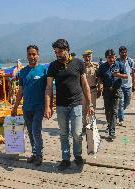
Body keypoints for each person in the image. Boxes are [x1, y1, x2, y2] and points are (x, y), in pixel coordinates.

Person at [44, 39, 94, 171]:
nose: (57, 54)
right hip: (61, 106)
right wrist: (47, 106)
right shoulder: (53, 66)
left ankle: (77, 155)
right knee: (63, 133)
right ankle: (65, 158)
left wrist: (90, 104)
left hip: (77, 103)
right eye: (55, 52)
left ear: (67, 50)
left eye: (60, 51)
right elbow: (49, 87)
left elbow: (85, 84)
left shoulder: (78, 63)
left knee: (77, 133)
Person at [11, 45, 47, 166]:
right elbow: (20, 91)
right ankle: (34, 152)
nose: (31, 56)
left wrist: (49, 106)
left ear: (38, 55)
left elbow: (48, 90)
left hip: (39, 107)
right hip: (26, 108)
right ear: (27, 55)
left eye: (34, 54)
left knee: (36, 130)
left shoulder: (44, 70)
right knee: (30, 132)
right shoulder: (23, 71)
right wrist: (15, 107)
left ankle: (39, 155)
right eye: (29, 54)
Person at [97, 49, 128, 139]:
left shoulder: (119, 64)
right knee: (107, 111)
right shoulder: (102, 66)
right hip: (106, 91)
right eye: (109, 57)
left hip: (116, 90)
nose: (111, 59)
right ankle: (109, 124)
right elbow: (99, 77)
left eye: (112, 57)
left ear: (115, 57)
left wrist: (118, 75)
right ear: (106, 58)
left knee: (114, 111)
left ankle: (112, 131)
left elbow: (126, 76)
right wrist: (100, 86)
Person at [116, 46, 135, 126]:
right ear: (119, 53)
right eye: (122, 52)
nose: (124, 54)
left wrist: (134, 84)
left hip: (128, 85)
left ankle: (119, 112)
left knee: (127, 102)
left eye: (125, 52)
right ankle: (121, 119)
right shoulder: (117, 62)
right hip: (120, 85)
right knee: (121, 102)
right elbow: (115, 73)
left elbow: (132, 73)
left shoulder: (130, 61)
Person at [82, 50, 99, 129]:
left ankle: (92, 125)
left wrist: (99, 88)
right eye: (86, 56)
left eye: (89, 56)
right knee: (84, 108)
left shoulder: (96, 66)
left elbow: (99, 78)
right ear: (83, 57)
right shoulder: (81, 66)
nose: (87, 58)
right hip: (83, 91)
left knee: (92, 108)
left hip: (93, 90)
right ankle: (84, 125)